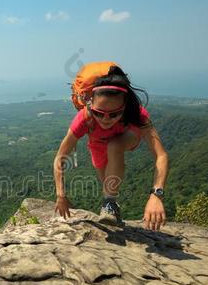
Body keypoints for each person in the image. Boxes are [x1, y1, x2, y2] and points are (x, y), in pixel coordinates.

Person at [53, 64, 169, 231]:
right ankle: (112, 207)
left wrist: (156, 195)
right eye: (99, 113)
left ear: (125, 107)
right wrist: (60, 195)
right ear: (90, 103)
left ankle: (109, 204)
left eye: (114, 114)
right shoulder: (85, 118)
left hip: (128, 135)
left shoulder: (137, 114)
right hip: (98, 144)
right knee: (108, 184)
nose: (106, 119)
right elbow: (60, 157)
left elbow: (161, 155)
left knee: (114, 146)